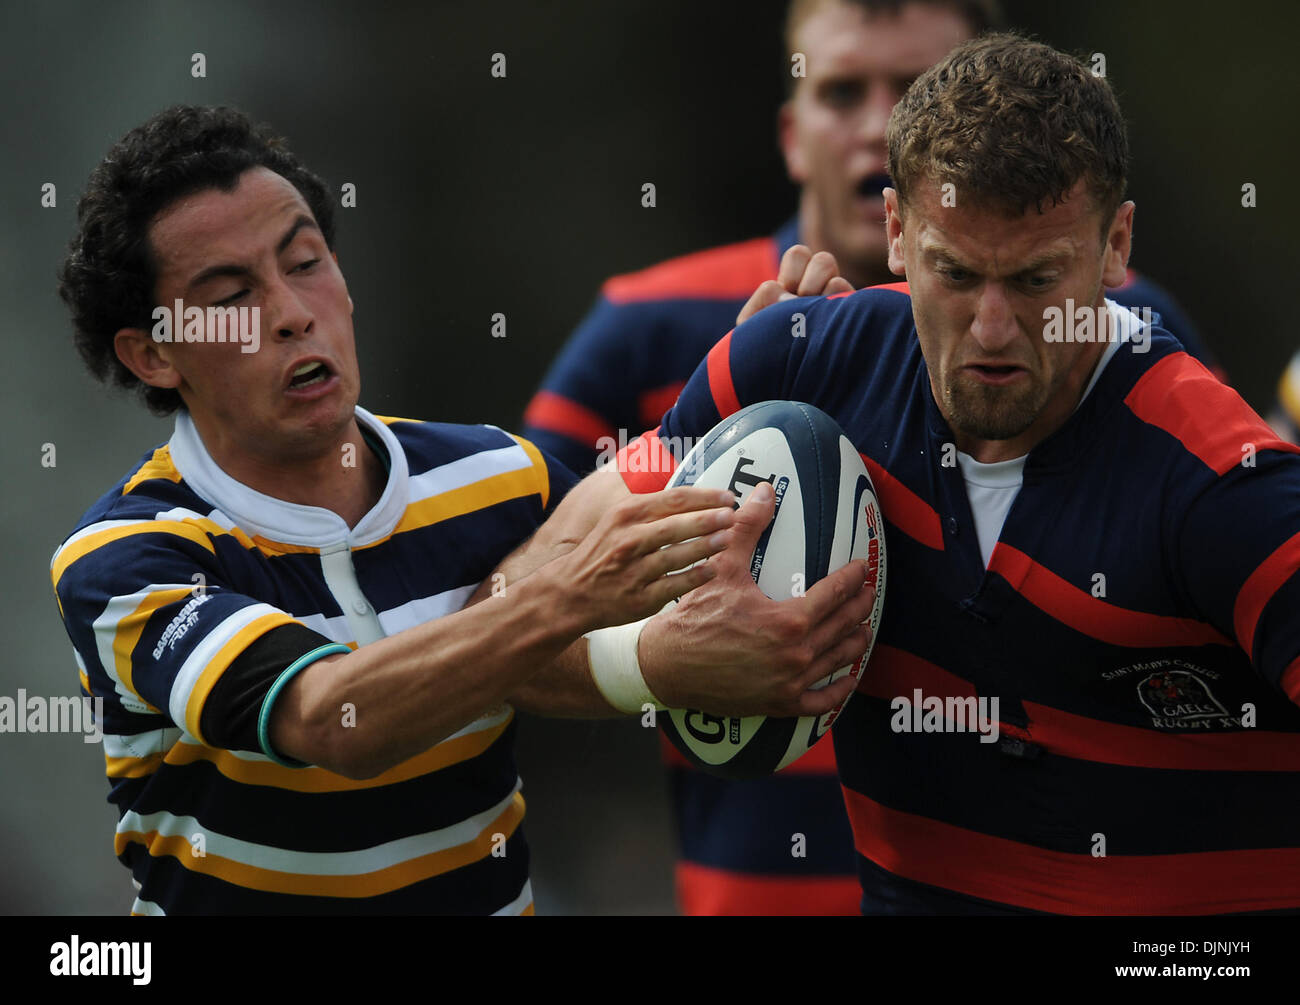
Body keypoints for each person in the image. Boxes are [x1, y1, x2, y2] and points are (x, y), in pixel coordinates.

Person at [530, 32, 1300, 914]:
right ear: (896, 232)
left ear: (1116, 246)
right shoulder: (796, 366)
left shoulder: (1216, 482)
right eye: (957, 274)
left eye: (1039, 278)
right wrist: (657, 662)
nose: (994, 328)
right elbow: (510, 614)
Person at [50, 104, 847, 914]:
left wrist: (739, 391)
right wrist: (567, 594)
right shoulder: (125, 555)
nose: (292, 311)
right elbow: (334, 721)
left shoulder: (491, 471)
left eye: (305, 261)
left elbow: (556, 619)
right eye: (231, 295)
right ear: (152, 353)